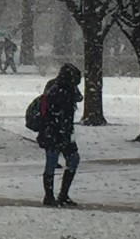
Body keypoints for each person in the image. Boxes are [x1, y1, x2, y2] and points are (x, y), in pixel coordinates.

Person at [37, 63, 83, 206]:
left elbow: (78, 98)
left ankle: (59, 195)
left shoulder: (60, 87)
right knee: (55, 162)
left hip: (61, 132)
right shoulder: (57, 89)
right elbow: (53, 109)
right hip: (55, 131)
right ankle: (52, 196)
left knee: (70, 160)